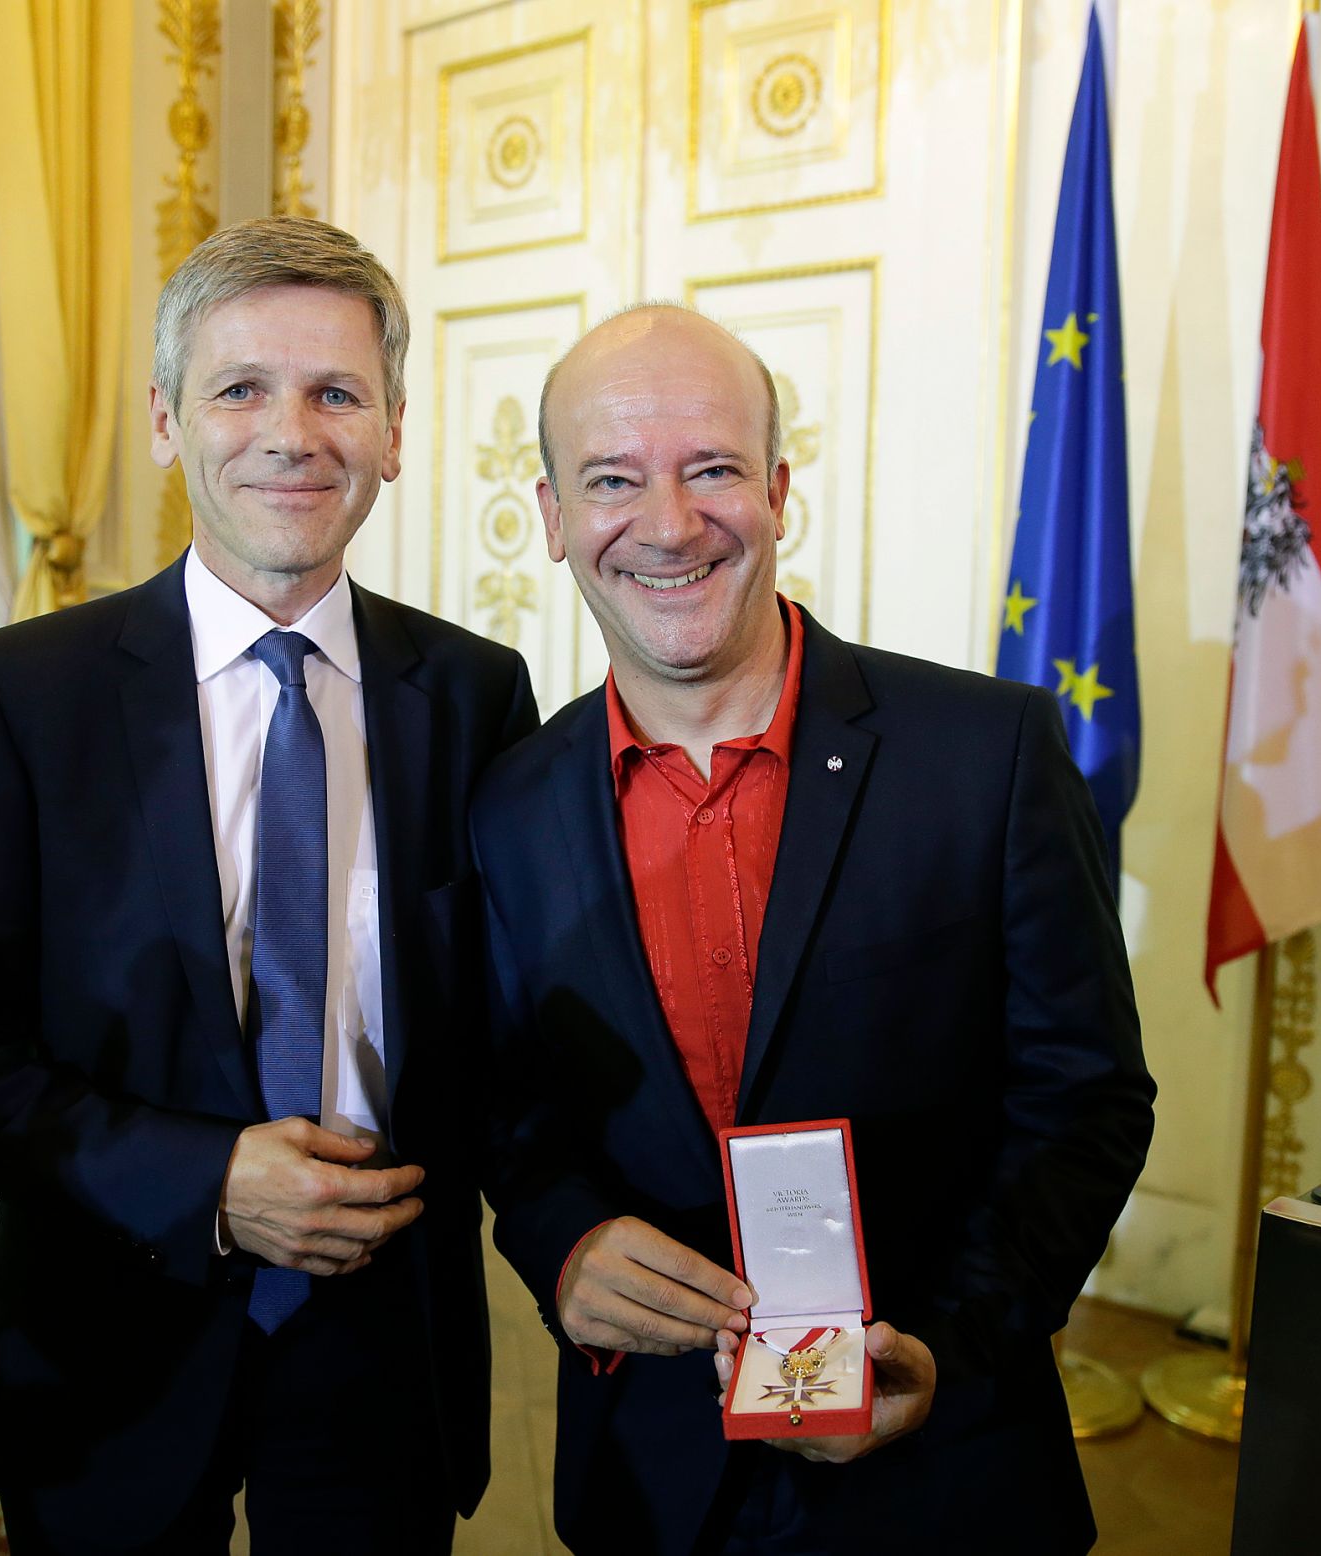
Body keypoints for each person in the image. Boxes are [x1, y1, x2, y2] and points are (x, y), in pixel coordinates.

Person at [0, 216, 536, 1555]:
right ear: (169, 423)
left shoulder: (475, 695)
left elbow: (513, 1033)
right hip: (109, 1334)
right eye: (241, 388)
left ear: (395, 432)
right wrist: (209, 1179)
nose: (292, 433)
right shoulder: (26, 693)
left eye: (336, 392)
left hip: (381, 1344)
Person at [471, 304, 1154, 1554]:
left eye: (713, 468)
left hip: (942, 1469)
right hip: (649, 1482)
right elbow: (512, 1110)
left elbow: (1086, 1098)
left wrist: (947, 1345)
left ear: (779, 490)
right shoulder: (504, 806)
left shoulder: (985, 752)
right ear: (553, 514)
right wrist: (561, 1242)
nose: (668, 522)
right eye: (613, 479)